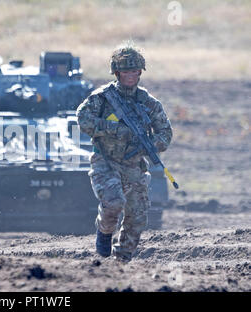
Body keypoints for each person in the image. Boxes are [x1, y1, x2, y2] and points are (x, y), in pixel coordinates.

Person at [76, 42, 173, 262]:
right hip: (106, 162)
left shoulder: (149, 103)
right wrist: (115, 130)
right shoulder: (103, 98)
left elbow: (165, 132)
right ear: (117, 73)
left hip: (134, 166)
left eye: (134, 71)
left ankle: (121, 261)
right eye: (126, 71)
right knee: (113, 203)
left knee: (137, 218)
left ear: (140, 72)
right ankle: (104, 230)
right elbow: (82, 119)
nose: (130, 75)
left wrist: (149, 144)